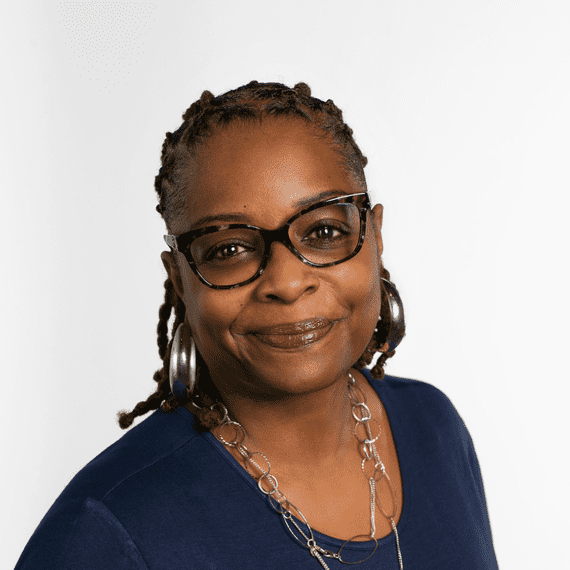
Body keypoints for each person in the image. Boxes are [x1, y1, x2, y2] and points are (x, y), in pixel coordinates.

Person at [15, 81, 498, 569]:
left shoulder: (433, 427)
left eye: (324, 231)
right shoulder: (104, 530)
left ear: (373, 237)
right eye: (229, 249)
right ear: (180, 279)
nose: (286, 282)